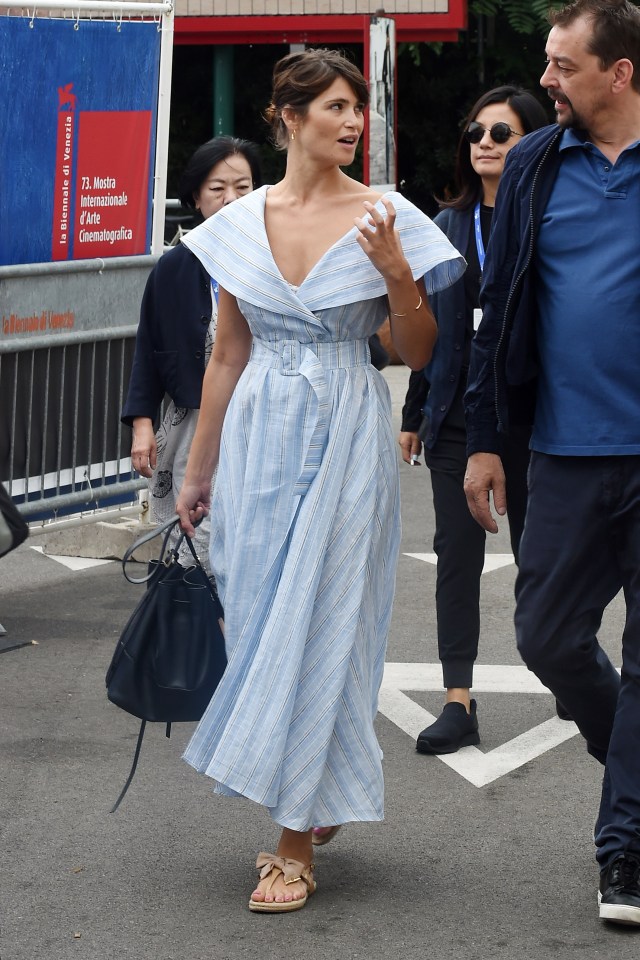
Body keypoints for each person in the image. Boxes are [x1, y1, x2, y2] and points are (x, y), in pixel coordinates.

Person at [175, 48, 465, 913]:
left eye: (357, 110)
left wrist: (396, 274)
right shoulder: (236, 224)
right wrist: (200, 469)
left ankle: (292, 842)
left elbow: (418, 351)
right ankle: (316, 777)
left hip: (347, 425)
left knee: (325, 621)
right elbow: (228, 351)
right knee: (266, 615)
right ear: (288, 116)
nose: (353, 122)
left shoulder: (387, 216)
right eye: (335, 107)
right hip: (262, 432)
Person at [463, 0, 640, 926]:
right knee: (545, 636)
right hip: (562, 451)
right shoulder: (534, 164)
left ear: (620, 73)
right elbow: (500, 304)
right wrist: (486, 437)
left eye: (563, 66)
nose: (545, 81)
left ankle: (626, 852)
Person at [398, 87, 549, 754]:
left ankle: (567, 672)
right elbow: (431, 331)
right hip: (458, 416)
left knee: (549, 559)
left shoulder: (553, 215)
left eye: (501, 132)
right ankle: (458, 698)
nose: (483, 142)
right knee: (455, 558)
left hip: (539, 418)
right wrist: (413, 410)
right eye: (475, 131)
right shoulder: (445, 226)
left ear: (533, 143)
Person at [121, 136, 262, 568]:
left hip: (261, 420)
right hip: (192, 426)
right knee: (194, 554)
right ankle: (201, 630)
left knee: (251, 549)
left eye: (243, 186)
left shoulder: (274, 259)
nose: (232, 198)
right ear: (197, 197)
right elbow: (150, 346)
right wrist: (142, 424)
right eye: (217, 189)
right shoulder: (175, 266)